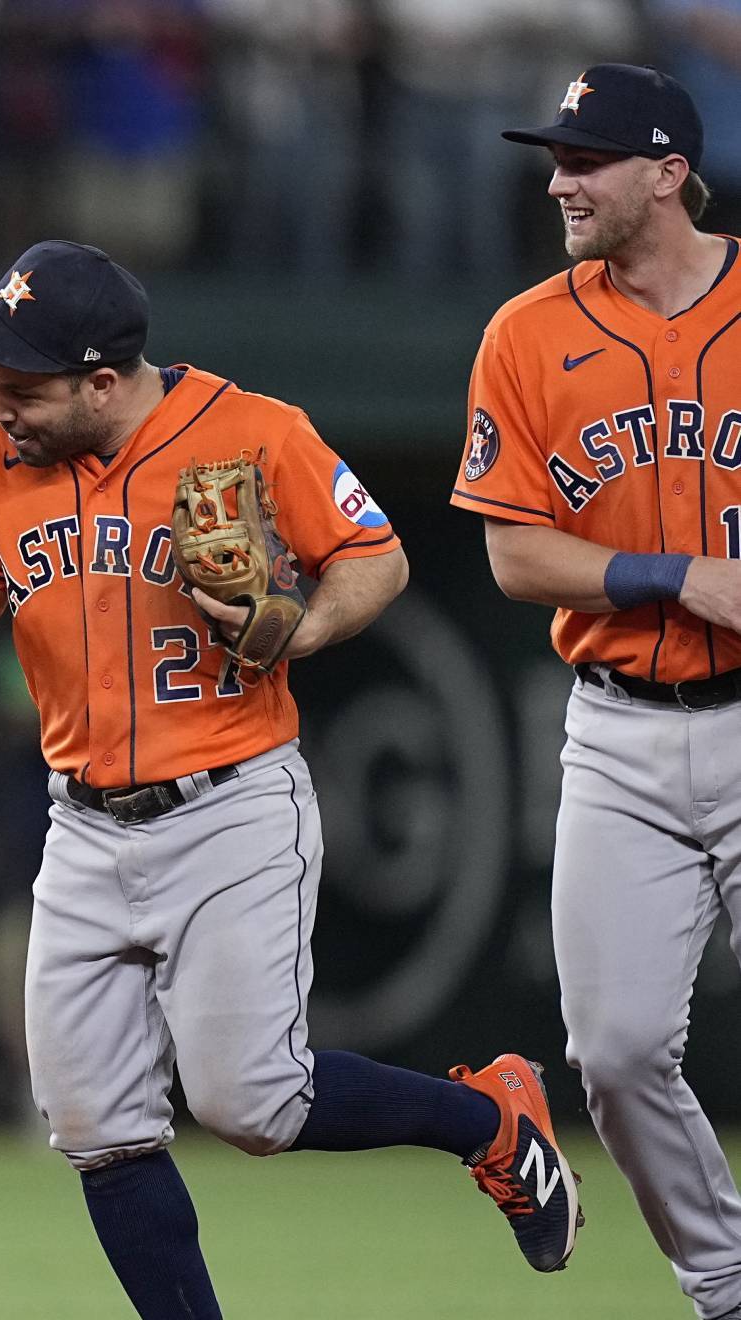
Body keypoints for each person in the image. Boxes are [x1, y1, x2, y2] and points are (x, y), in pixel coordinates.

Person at [0, 240, 580, 1318]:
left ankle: (490, 1121)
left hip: (230, 805)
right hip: (80, 821)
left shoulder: (253, 432)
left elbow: (377, 559)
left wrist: (301, 629)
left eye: (25, 382)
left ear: (104, 382)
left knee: (251, 1105)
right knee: (93, 1124)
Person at [457, 63, 741, 1320]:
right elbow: (516, 554)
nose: (561, 181)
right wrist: (682, 574)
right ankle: (726, 1283)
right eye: (556, 159)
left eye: (590, 160)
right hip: (619, 729)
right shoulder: (528, 331)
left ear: (670, 172)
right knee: (616, 1054)